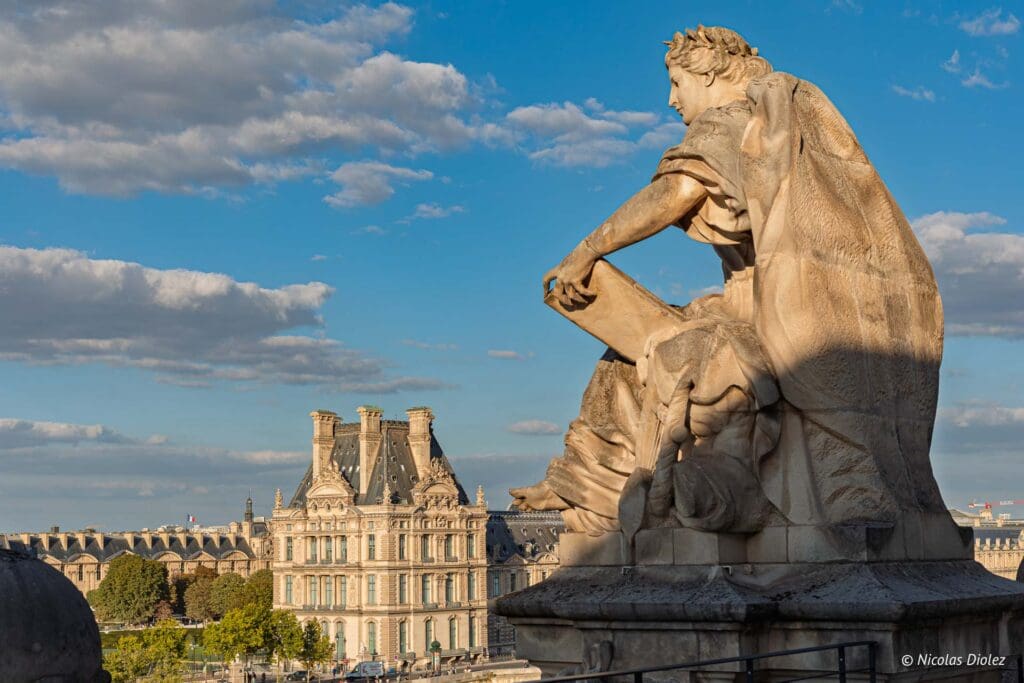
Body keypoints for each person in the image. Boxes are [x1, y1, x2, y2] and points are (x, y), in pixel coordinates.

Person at [512, 26, 946, 535]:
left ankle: (606, 496)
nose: (672, 99)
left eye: (677, 83)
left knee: (647, 353)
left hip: (770, 320)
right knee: (637, 353)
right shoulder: (777, 125)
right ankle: (584, 485)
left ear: (711, 73)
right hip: (775, 312)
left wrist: (587, 251)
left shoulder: (732, 121)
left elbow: (676, 192)